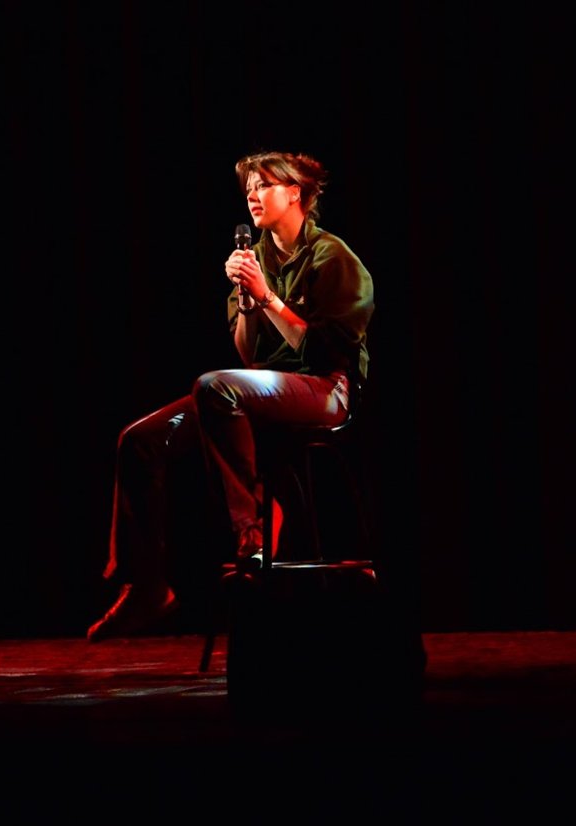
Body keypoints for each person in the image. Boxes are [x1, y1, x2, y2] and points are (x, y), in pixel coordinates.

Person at [86, 149, 374, 642]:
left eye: (264, 185)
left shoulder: (332, 256)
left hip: (325, 388)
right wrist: (246, 302)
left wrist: (268, 297)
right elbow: (247, 354)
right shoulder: (256, 258)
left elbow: (324, 351)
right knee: (140, 440)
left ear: (295, 193)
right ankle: (147, 584)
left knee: (215, 387)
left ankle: (252, 538)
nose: (253, 195)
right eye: (249, 188)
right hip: (264, 387)